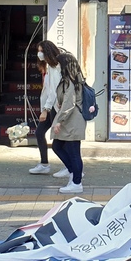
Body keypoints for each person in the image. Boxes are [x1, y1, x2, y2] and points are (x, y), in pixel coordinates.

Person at [51, 53, 86, 194]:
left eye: (59, 63)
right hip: (71, 120)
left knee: (73, 152)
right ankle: (74, 174)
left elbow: (69, 103)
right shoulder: (74, 78)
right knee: (57, 146)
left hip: (72, 121)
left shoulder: (69, 81)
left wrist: (59, 121)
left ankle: (77, 182)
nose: (57, 66)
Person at [29, 41, 63, 175]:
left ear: (48, 51)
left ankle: (70, 167)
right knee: (39, 133)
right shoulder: (48, 67)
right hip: (50, 106)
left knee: (60, 140)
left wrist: (46, 109)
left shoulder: (55, 67)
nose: (39, 54)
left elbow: (54, 91)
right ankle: (44, 163)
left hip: (53, 107)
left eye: (41, 51)